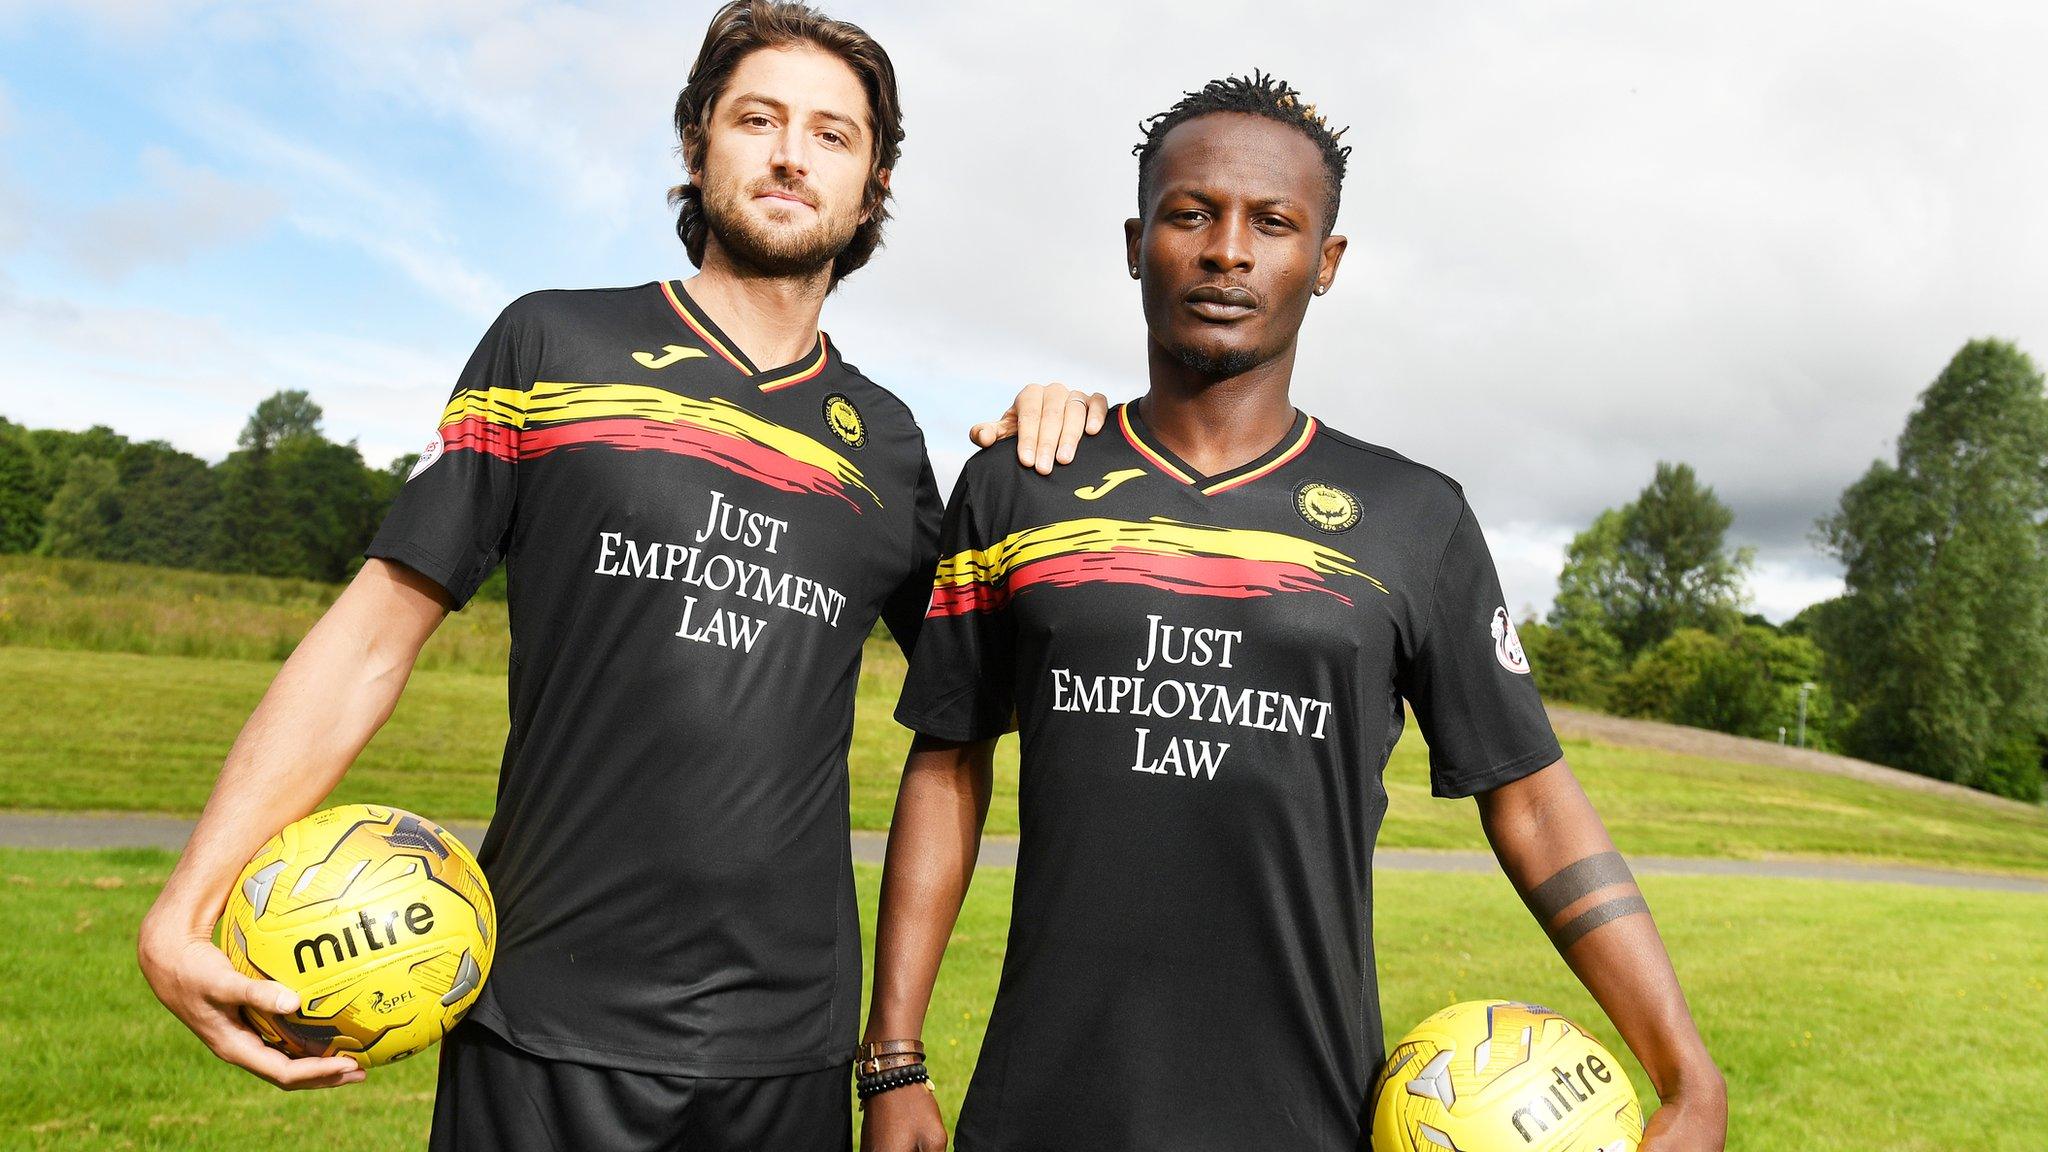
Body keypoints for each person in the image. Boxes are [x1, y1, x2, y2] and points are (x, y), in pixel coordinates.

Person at [135, 3, 1103, 1150]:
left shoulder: (887, 443)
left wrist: (1075, 454)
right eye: (758, 119)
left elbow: (986, 692)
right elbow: (371, 638)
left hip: (786, 1047)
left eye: (833, 136)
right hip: (541, 1024)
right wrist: (183, 904)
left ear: (872, 186)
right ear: (697, 143)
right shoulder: (551, 348)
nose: (793, 153)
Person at [860, 74, 1728, 1150]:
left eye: (1273, 223)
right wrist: (890, 1059)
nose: (1227, 250)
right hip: (1042, 1111)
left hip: (1303, 1118)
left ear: (1324, 263)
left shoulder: (1413, 517)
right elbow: (946, 765)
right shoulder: (1017, 487)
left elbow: (1533, 800)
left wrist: (1684, 1070)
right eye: (1191, 214)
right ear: (1136, 243)